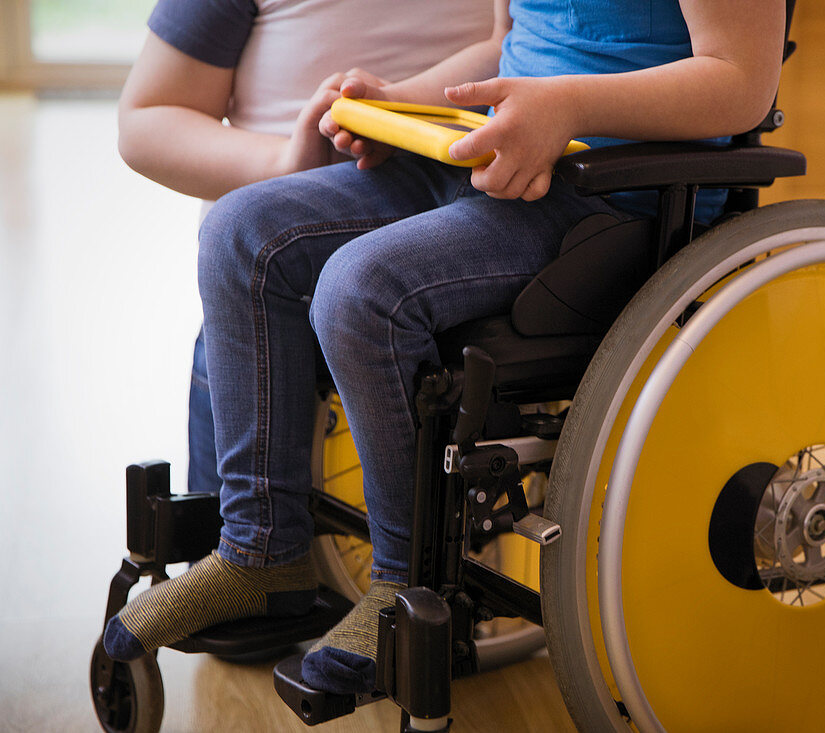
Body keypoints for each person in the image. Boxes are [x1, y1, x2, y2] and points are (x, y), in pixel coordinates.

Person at [104, 0, 785, 696]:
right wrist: (401, 99)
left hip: (614, 197)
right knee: (240, 231)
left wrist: (567, 108)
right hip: (495, 151)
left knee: (360, 289)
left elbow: (741, 82)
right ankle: (261, 550)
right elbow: (506, 42)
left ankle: (404, 588)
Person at [116, 0, 494, 495]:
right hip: (267, 295)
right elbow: (147, 119)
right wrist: (283, 163)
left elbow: (515, 46)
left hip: (457, 262)